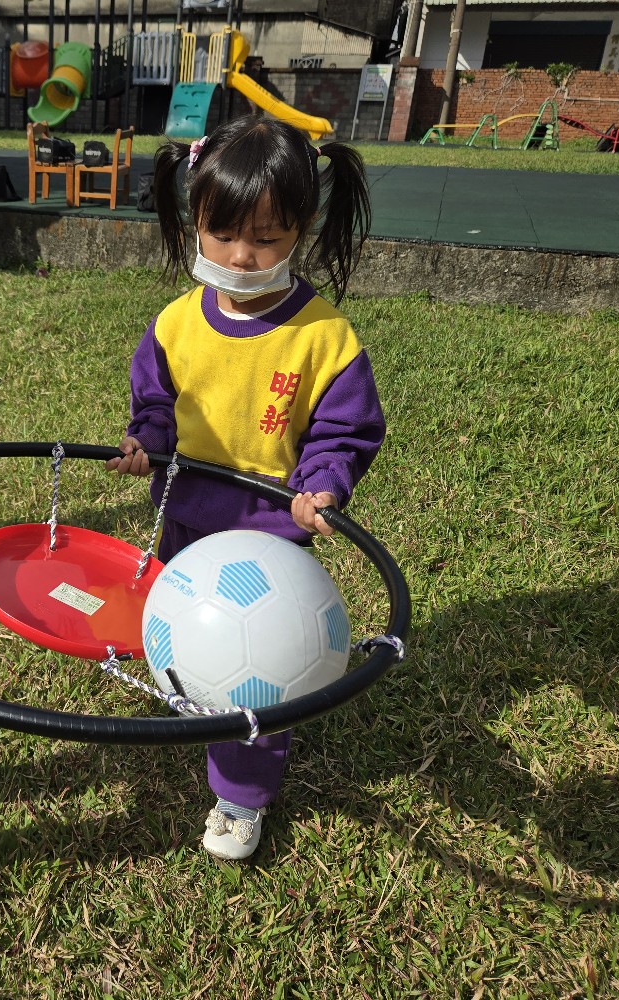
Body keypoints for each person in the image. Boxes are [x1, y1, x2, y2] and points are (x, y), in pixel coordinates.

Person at [107, 116, 385, 861]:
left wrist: (321, 485)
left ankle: (241, 797)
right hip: (186, 523)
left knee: (256, 679)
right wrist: (145, 443)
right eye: (221, 233)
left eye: (265, 238)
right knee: (191, 649)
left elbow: (343, 431)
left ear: (302, 229)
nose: (239, 255)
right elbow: (156, 403)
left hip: (270, 540)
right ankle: (193, 706)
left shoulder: (324, 337)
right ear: (193, 221)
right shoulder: (175, 324)